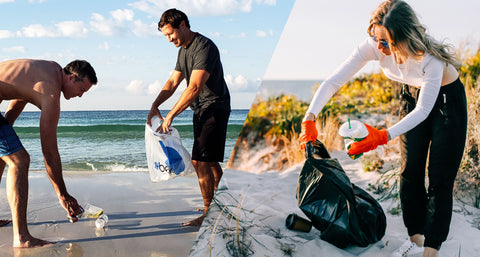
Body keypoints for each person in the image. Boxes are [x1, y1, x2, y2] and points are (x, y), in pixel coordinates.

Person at [299, 1, 467, 256]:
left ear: (404, 38)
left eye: (386, 42)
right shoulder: (374, 45)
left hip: (446, 104)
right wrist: (309, 118)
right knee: (409, 172)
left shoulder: (429, 59)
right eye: (375, 38)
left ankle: (431, 250)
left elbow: (424, 111)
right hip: (412, 97)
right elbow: (334, 80)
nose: (379, 47)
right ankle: (416, 240)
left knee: (439, 179)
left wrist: (382, 136)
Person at [0, 59, 97, 247]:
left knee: (7, 153)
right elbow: (49, 152)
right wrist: (63, 195)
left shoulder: (47, 71)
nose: (80, 96)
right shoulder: (51, 91)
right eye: (82, 90)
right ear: (71, 77)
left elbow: (16, 102)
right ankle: (22, 238)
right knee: (19, 161)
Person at [147, 8, 231, 227]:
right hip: (200, 109)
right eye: (166, 36)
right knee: (208, 159)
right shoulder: (183, 50)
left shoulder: (205, 47)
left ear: (182, 24)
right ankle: (220, 204)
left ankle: (209, 214)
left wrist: (170, 116)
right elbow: (172, 83)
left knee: (200, 160)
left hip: (215, 106)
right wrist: (155, 105)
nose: (169, 39)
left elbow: (193, 87)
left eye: (170, 34)